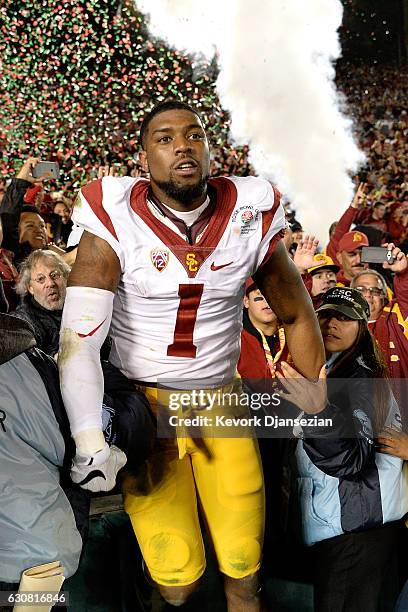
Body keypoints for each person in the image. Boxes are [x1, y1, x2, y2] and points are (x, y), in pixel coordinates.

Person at [58, 99, 325, 610]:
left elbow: (295, 311)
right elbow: (80, 340)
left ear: (208, 147)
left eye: (194, 135)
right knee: (176, 580)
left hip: (221, 402)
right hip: (149, 406)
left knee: (245, 569)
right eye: (164, 138)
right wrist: (90, 434)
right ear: (143, 158)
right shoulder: (114, 216)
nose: (183, 145)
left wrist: (314, 386)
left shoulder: (248, 210)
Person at [278, 287, 408, 612]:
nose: (332, 324)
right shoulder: (332, 369)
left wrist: (318, 412)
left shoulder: (361, 377)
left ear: (361, 327)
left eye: (345, 318)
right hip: (347, 527)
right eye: (325, 315)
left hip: (356, 530)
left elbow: (351, 459)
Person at [13, 250, 70, 356]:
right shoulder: (23, 322)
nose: (50, 283)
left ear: (66, 278)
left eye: (55, 275)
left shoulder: (78, 308)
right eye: (40, 279)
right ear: (30, 288)